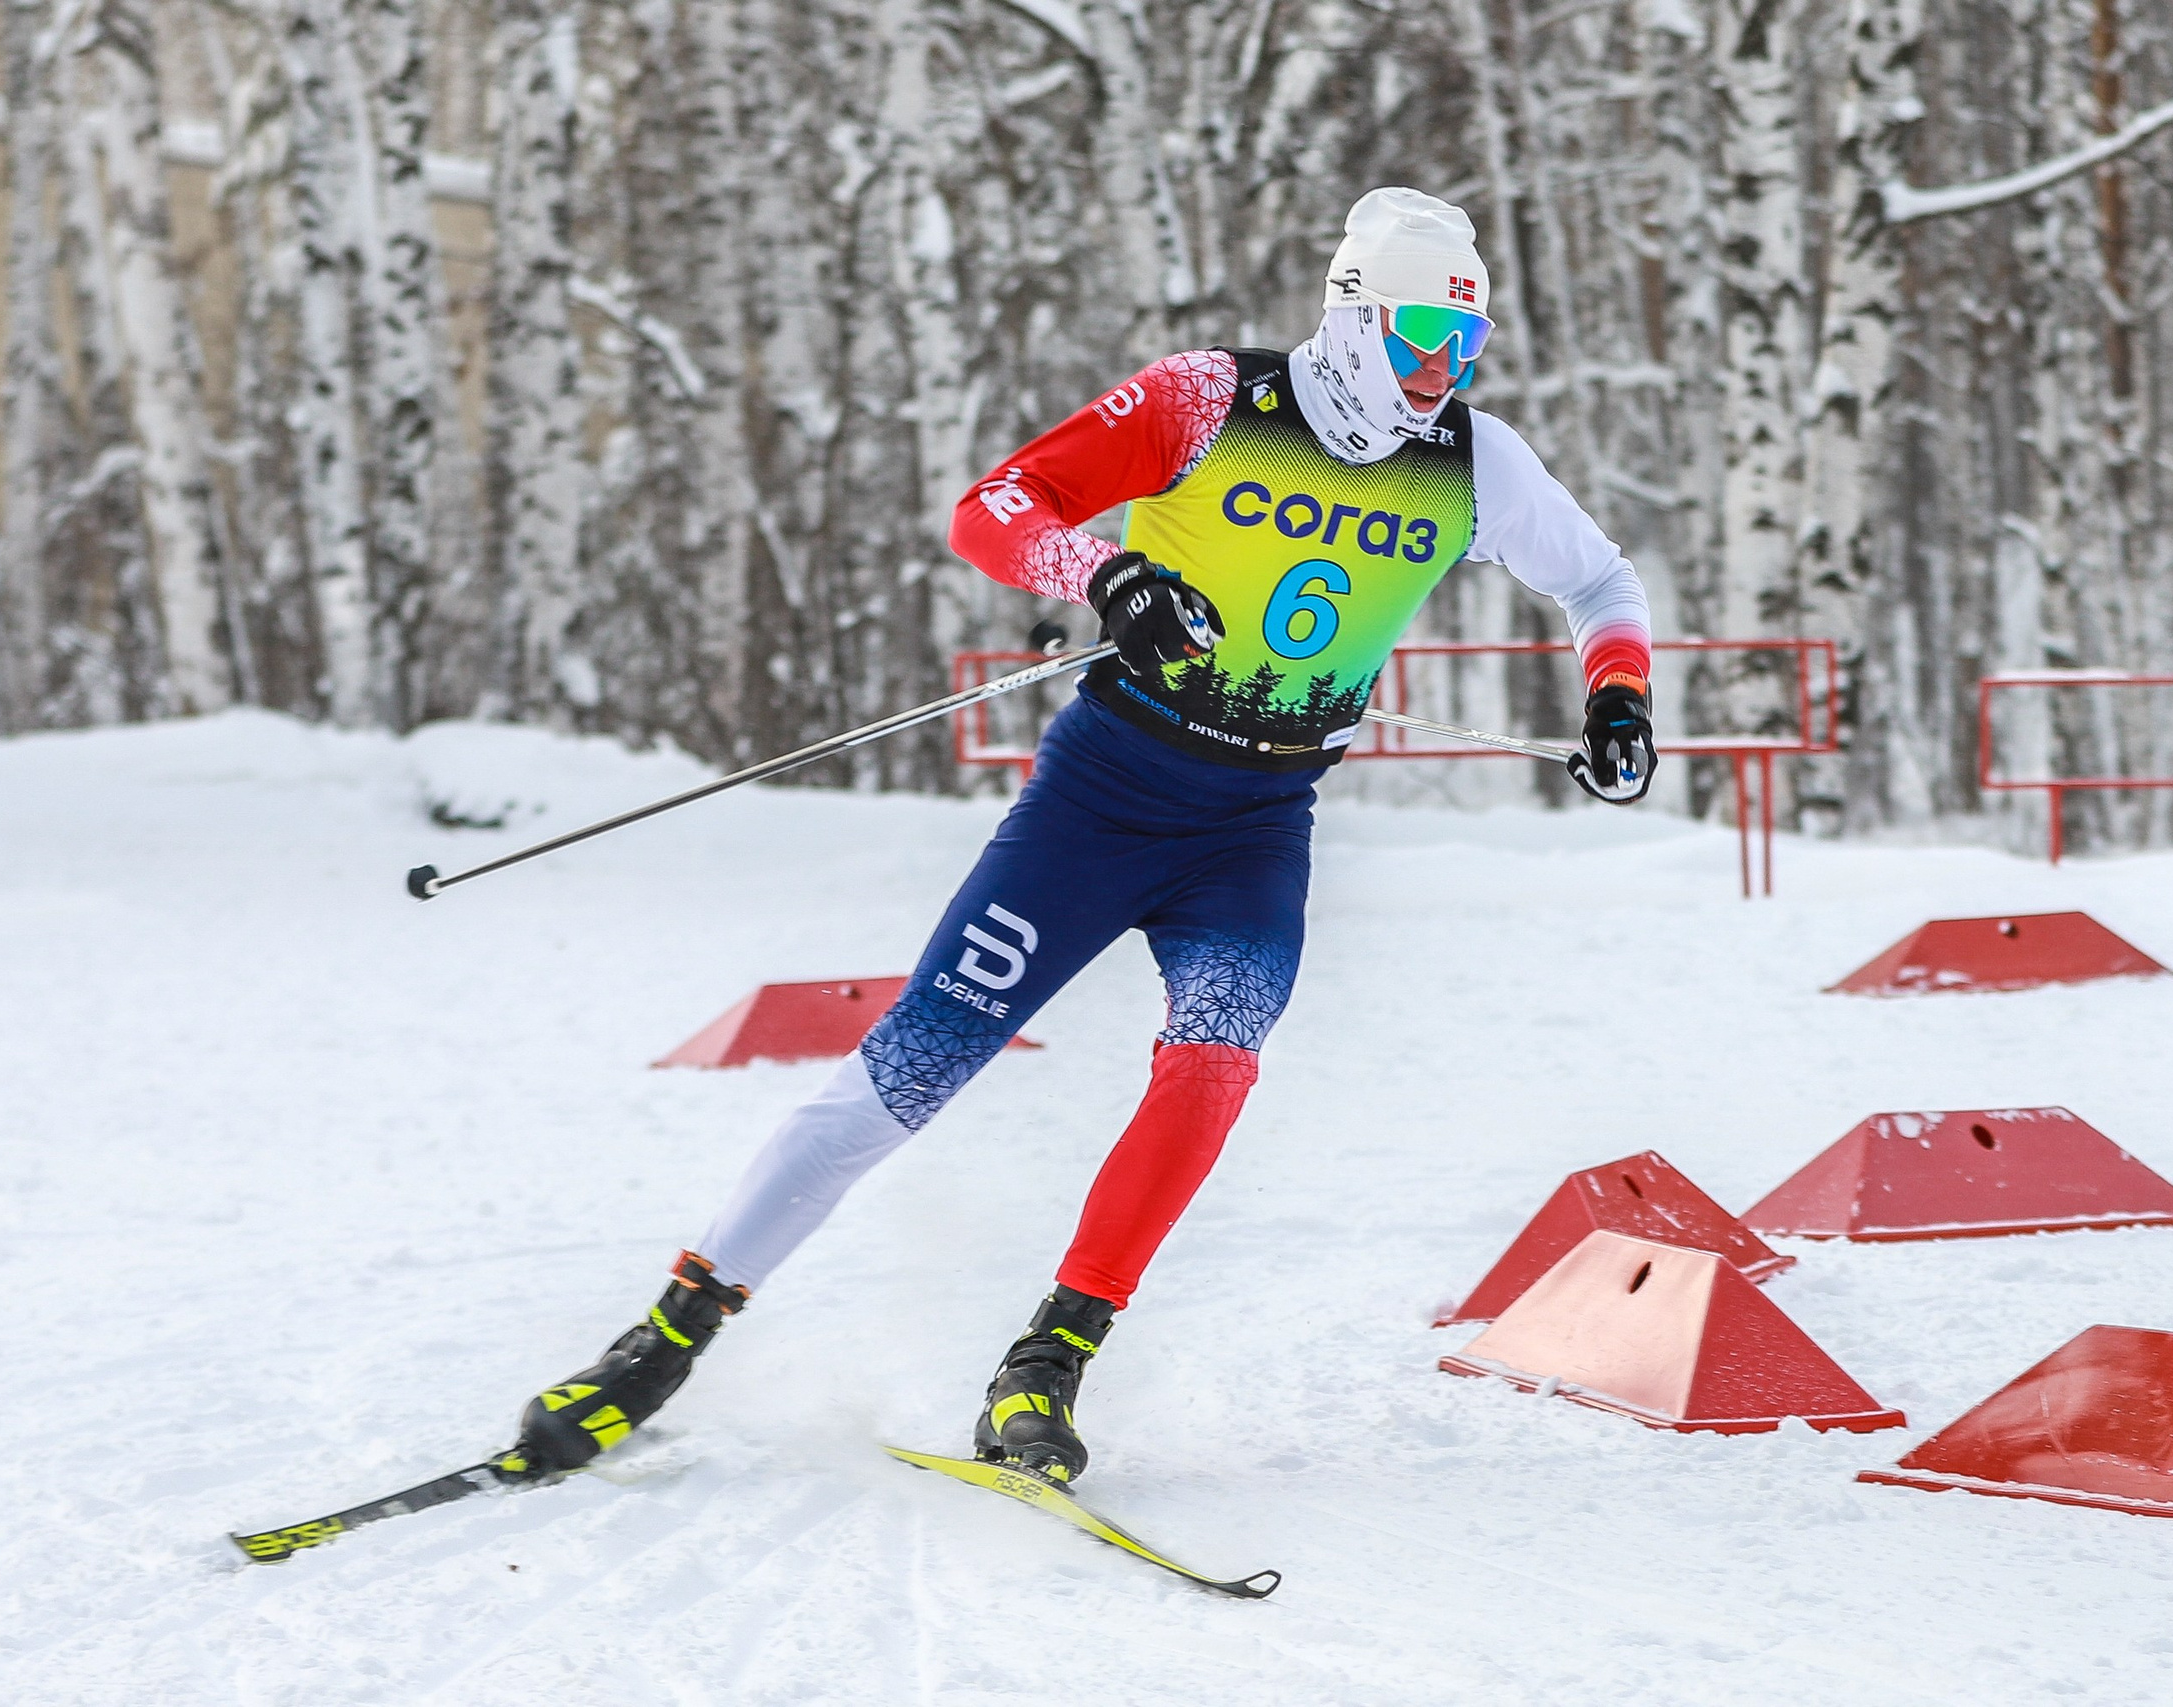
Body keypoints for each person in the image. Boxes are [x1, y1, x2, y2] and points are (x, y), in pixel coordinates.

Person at [506, 187, 1659, 1486]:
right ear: (1350, 322)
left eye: (1465, 348)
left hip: (1256, 829)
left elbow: (1600, 581)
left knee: (1213, 1064)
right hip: (1103, 804)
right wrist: (1103, 576)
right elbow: (994, 509)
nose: (1438, 375)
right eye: (1415, 341)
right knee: (911, 1076)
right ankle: (663, 1341)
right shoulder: (1211, 400)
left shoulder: (1473, 462)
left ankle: (1043, 1371)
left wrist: (1619, 696)